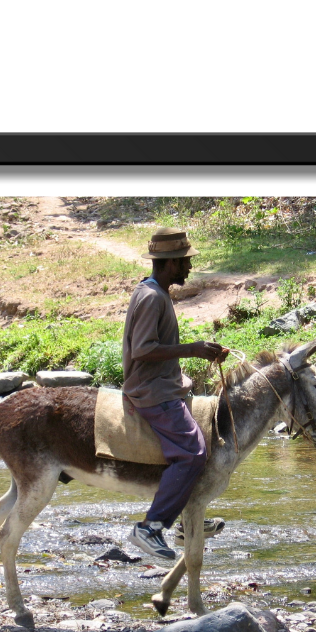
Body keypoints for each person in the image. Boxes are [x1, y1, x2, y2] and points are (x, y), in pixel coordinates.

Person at [122, 227, 228, 561]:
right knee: (193, 453)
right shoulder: (153, 297)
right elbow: (142, 350)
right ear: (170, 263)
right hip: (152, 391)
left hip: (164, 384)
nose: (189, 268)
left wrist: (196, 351)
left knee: (203, 439)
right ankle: (150, 527)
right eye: (185, 262)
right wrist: (193, 350)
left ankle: (186, 515)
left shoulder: (153, 290)